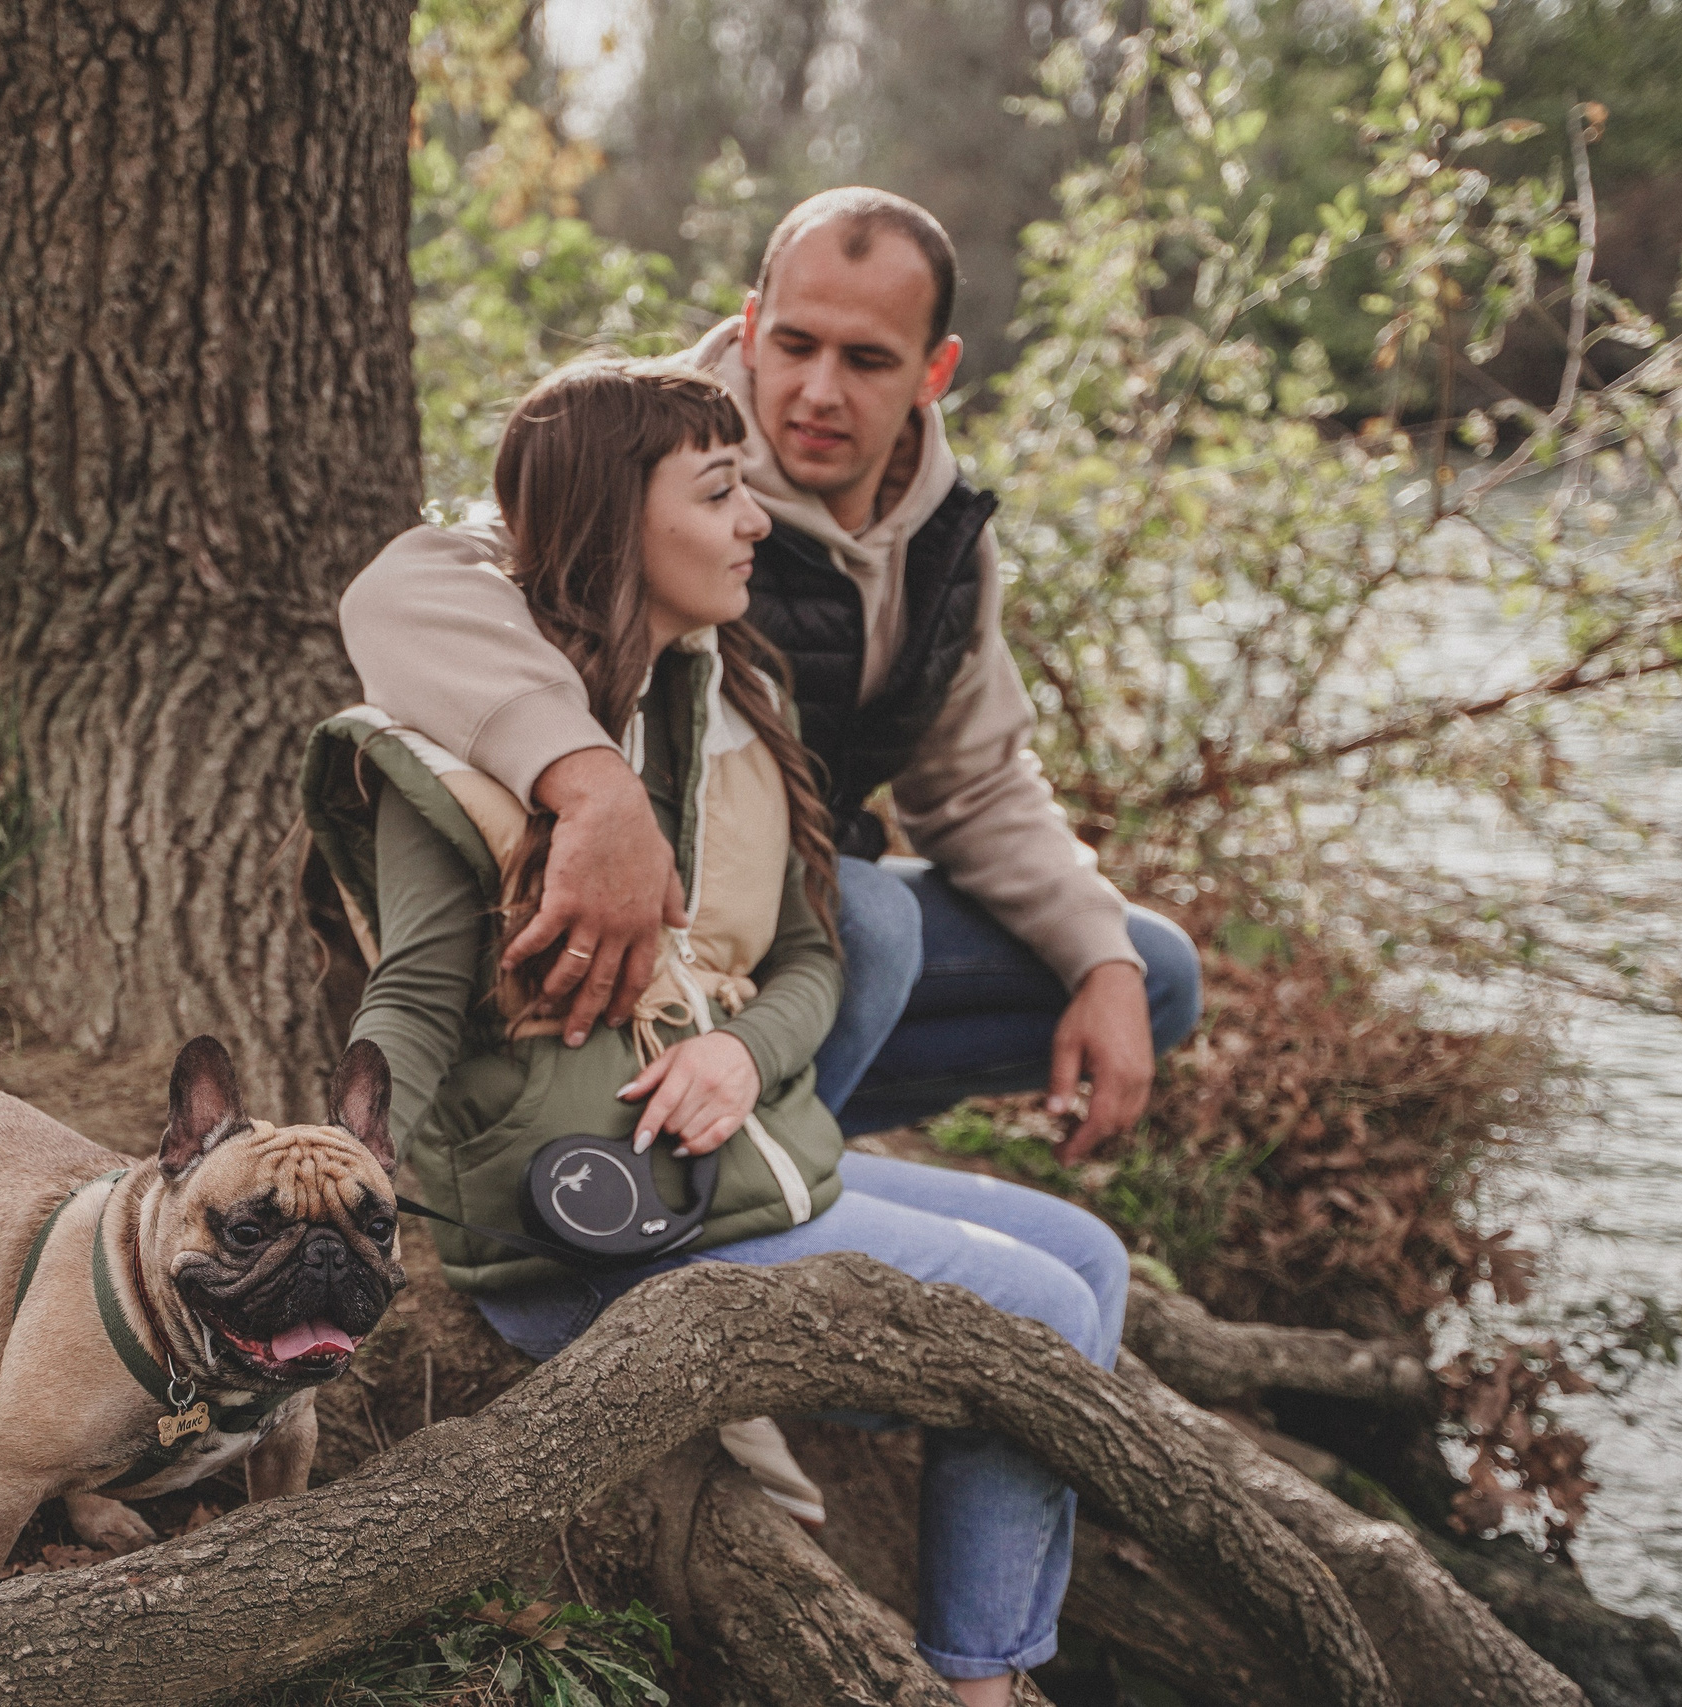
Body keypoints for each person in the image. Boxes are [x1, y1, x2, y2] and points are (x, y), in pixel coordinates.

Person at [302, 358, 1127, 1706]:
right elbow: (405, 997)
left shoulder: (735, 694)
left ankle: (990, 1656)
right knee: (1034, 1309)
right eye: (721, 489)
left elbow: (809, 957)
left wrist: (742, 1052)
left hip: (741, 1168)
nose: (757, 521)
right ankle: (981, 1686)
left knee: (1085, 1253)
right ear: (617, 517)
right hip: (586, 1225)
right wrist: (338, 1166)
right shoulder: (451, 756)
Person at [340, 187, 1200, 1155]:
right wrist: (594, 789)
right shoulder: (652, 448)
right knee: (869, 924)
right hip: (625, 947)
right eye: (793, 345)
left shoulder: (943, 540)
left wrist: (1102, 964)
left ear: (936, 370)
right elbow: (402, 590)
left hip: (783, 929)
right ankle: (693, 1193)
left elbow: (977, 786)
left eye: (867, 360)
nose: (819, 391)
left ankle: (778, 1150)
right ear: (750, 326)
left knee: (1150, 967)